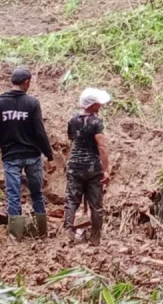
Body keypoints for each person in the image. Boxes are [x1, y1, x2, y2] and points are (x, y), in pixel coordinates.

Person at [0, 67, 54, 241]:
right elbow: (39, 131)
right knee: (37, 192)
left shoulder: (0, 103)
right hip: (32, 155)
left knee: (13, 194)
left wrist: (5, 146)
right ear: (26, 82)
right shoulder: (32, 103)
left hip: (11, 155)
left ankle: (15, 235)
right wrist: (49, 155)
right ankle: (41, 232)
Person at [64, 88, 112, 245]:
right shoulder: (96, 123)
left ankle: (68, 233)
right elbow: (102, 146)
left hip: (75, 166)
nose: (100, 106)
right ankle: (95, 238)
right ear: (92, 105)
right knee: (96, 204)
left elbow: (72, 138)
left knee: (71, 200)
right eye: (98, 103)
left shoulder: (73, 120)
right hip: (92, 168)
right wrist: (106, 169)